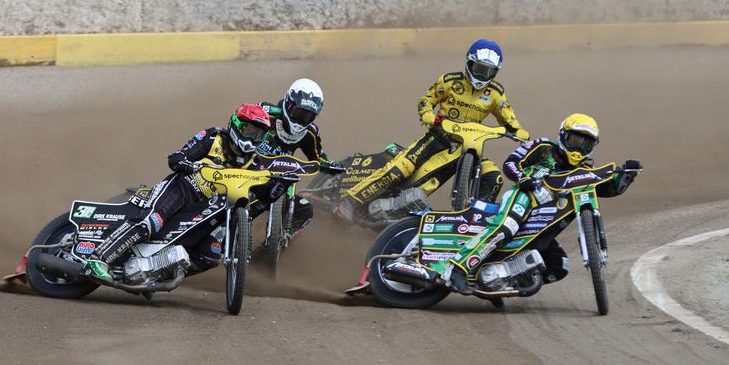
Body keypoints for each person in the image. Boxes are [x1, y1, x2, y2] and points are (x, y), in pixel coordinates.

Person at [443, 113, 642, 293]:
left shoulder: (584, 171)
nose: (579, 148)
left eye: (586, 144)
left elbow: (606, 189)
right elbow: (511, 163)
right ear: (563, 136)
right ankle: (458, 268)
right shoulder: (543, 146)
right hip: (525, 196)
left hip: (545, 221)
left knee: (559, 265)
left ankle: (504, 282)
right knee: (506, 227)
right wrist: (523, 179)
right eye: (575, 140)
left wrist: (626, 176)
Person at [338, 39, 530, 219]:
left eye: (488, 71)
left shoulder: (496, 93)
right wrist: (429, 117)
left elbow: (510, 120)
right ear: (469, 64)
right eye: (479, 68)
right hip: (438, 138)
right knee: (400, 169)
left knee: (494, 178)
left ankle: (476, 221)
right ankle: (351, 201)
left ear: (496, 72)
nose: (482, 75)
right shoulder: (449, 81)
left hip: (470, 147)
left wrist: (520, 134)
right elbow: (425, 101)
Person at [81, 103, 272, 283]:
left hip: (208, 209)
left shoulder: (256, 164)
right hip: (182, 188)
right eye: (250, 131)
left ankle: (153, 273)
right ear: (236, 125)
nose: (252, 139)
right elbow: (176, 158)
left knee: (211, 254)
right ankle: (97, 260)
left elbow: (263, 192)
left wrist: (277, 188)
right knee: (151, 222)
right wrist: (191, 166)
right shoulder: (213, 137)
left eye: (258, 135)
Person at [250, 78, 339, 239]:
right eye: (299, 113)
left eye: (307, 116)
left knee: (305, 210)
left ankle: (278, 244)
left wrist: (331, 165)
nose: (301, 120)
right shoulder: (265, 113)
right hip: (248, 174)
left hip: (281, 181)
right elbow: (239, 129)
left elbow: (318, 157)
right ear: (288, 103)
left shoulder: (310, 132)